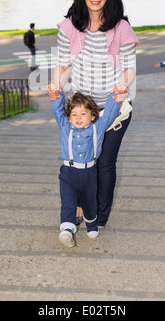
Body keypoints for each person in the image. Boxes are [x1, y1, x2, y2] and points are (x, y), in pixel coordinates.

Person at [47, 0, 138, 228]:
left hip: (114, 108)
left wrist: (122, 86)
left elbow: (130, 68)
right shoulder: (69, 27)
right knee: (79, 164)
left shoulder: (121, 27)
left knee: (105, 164)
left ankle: (99, 216)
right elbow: (63, 64)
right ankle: (80, 208)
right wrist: (56, 85)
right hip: (83, 111)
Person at [50, 88, 123, 247]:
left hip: (89, 173)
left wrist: (116, 96)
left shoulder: (98, 128)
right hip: (68, 173)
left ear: (93, 116)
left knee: (89, 204)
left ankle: (91, 224)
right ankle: (67, 231)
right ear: (68, 117)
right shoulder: (65, 127)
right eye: (74, 114)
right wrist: (57, 95)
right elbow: (57, 109)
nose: (78, 117)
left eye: (83, 114)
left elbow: (110, 113)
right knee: (68, 203)